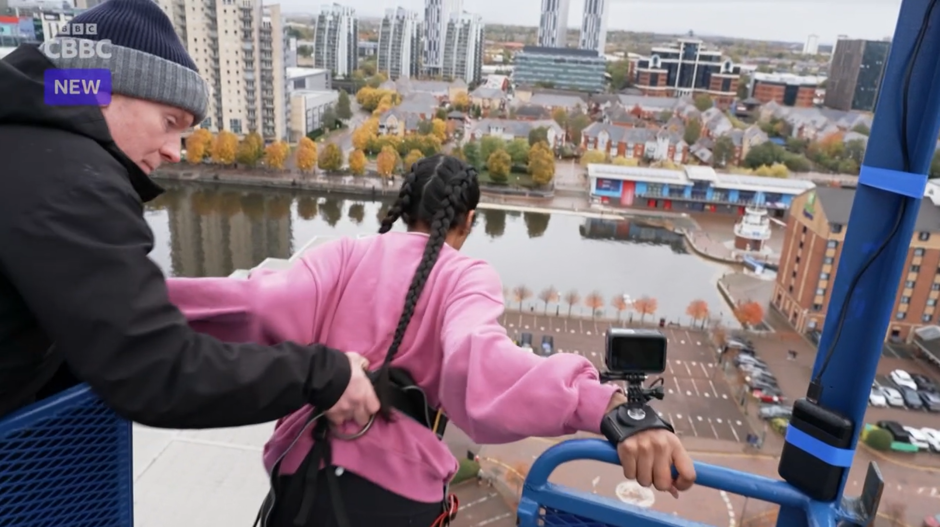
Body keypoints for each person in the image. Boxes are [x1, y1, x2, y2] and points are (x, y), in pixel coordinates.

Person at [167, 155, 697, 527]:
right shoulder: (464, 275)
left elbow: (256, 303)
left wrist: (138, 301)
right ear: (468, 219)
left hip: (303, 474)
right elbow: (479, 362)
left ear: (405, 206)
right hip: (395, 499)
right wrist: (606, 405)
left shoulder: (344, 253)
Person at [0, 0, 377, 429]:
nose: (174, 151)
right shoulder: (70, 177)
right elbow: (156, 370)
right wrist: (325, 375)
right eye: (169, 121)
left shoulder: (24, 142)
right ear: (103, 90)